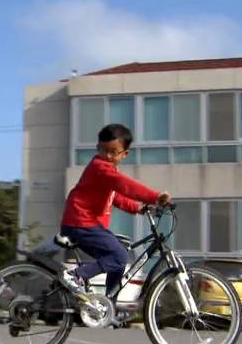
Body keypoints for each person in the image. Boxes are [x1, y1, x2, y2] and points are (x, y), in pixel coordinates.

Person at [60, 123, 170, 303]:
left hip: (85, 224)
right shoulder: (99, 166)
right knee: (119, 257)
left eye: (113, 151)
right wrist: (154, 196)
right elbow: (124, 185)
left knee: (116, 261)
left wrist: (139, 208)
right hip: (80, 221)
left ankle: (108, 305)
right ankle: (75, 276)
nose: (108, 156)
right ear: (97, 148)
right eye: (103, 150)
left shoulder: (108, 170)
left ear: (124, 153)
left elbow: (116, 196)